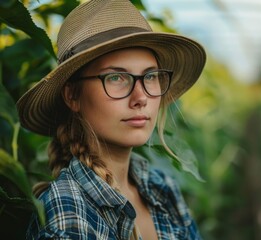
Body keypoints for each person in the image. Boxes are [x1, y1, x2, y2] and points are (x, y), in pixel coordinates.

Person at [16, 0, 206, 239]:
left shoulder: (161, 187)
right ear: (72, 95)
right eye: (116, 77)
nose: (141, 98)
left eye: (150, 76)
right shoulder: (68, 211)